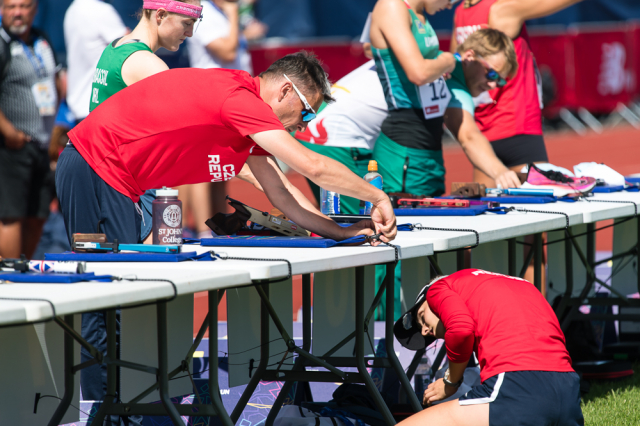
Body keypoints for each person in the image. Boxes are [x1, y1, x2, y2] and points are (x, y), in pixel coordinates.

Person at [56, 52, 397, 245]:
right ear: (285, 92)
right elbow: (313, 166)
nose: (304, 125)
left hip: (110, 172)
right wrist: (378, 198)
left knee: (120, 293)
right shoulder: (242, 101)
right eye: (307, 113)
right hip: (96, 163)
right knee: (110, 291)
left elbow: (282, 192)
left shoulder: (246, 117)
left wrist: (342, 232)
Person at [393, 269, 584, 426]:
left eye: (421, 316)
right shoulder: (522, 284)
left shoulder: (438, 287)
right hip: (568, 392)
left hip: (518, 387)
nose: (424, 331)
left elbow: (461, 330)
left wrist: (450, 382)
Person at [450, 0, 582, 188]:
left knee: (485, 204)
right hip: (517, 127)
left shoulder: (461, 13)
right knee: (544, 201)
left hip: (481, 134)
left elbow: (456, 67)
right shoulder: (500, 10)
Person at [186, 0, 253, 239]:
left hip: (225, 97)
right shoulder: (204, 11)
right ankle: (203, 231)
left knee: (219, 168)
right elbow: (227, 51)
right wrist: (234, 13)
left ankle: (217, 229)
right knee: (202, 168)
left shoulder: (218, 12)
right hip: (210, 97)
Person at [0, 0, 61, 259]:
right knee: (11, 215)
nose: (17, 13)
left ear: (35, 10)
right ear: (1, 9)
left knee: (38, 214)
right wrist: (9, 132)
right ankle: (9, 275)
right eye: (10, 7)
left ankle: (23, 271)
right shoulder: (2, 43)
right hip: (12, 147)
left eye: (24, 6)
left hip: (41, 144)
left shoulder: (41, 39)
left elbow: (55, 78)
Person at [295, 59, 388, 214]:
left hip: (317, 124)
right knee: (364, 216)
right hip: (332, 136)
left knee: (333, 213)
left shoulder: (384, 55)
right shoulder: (416, 65)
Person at [63, 0, 128, 125]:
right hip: (100, 110)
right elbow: (130, 50)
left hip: (81, 110)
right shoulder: (100, 10)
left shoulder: (72, 10)